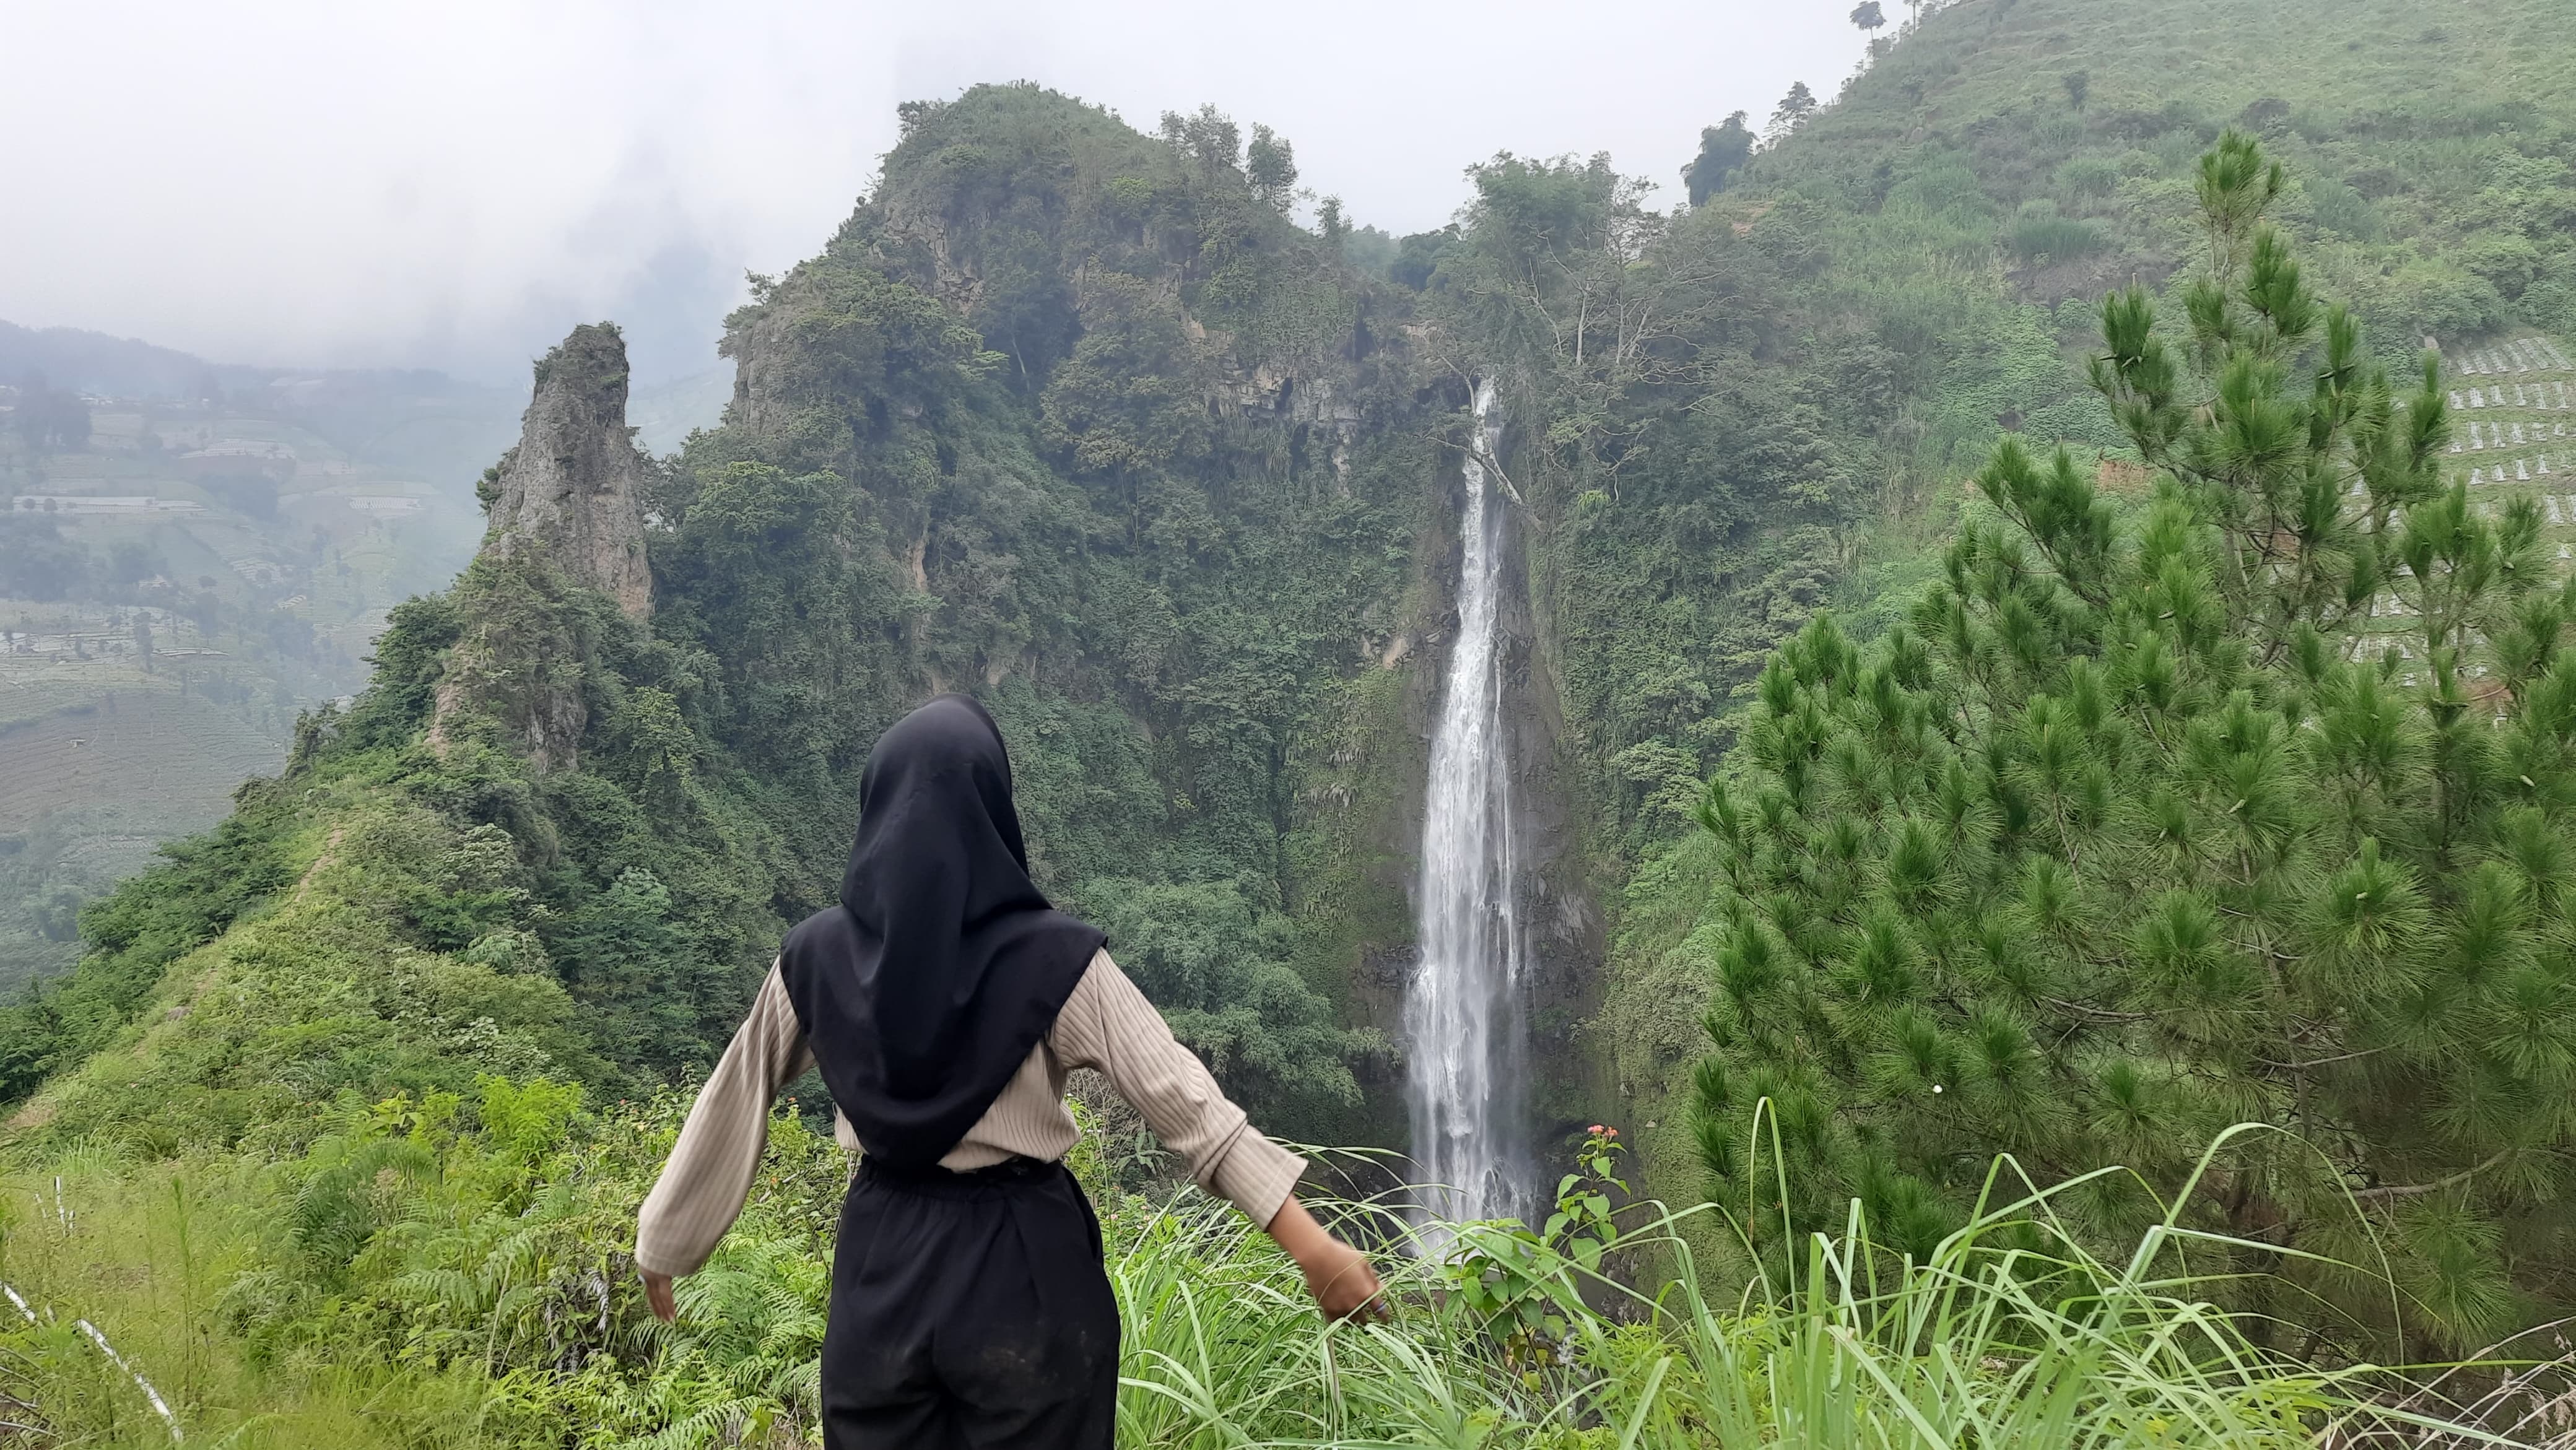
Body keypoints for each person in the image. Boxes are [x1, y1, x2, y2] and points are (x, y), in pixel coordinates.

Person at [634, 693, 1383, 1449]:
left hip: (881, 1262)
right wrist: (1312, 1248)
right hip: (1024, 1262)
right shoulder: (1055, 960)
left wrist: (666, 1238)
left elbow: (738, 1093)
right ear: (993, 810)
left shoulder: (815, 959)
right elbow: (1185, 1102)